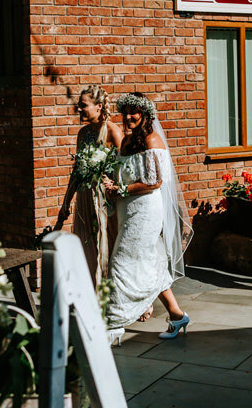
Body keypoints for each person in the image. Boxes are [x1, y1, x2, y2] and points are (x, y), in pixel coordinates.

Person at [103, 92, 192, 341]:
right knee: (151, 264)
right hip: (127, 210)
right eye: (125, 113)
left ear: (145, 115)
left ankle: (114, 324)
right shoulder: (126, 142)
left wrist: (120, 189)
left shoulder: (153, 141)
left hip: (146, 211)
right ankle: (177, 315)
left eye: (134, 112)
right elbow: (124, 174)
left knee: (119, 263)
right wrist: (108, 180)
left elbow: (155, 182)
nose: (128, 117)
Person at [54, 85, 124, 285]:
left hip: (105, 200)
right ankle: (91, 293)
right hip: (85, 198)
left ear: (99, 106)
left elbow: (126, 168)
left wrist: (114, 187)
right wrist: (66, 202)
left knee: (108, 245)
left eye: (83, 105)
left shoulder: (113, 131)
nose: (79, 109)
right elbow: (77, 171)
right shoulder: (83, 133)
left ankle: (112, 295)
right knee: (87, 245)